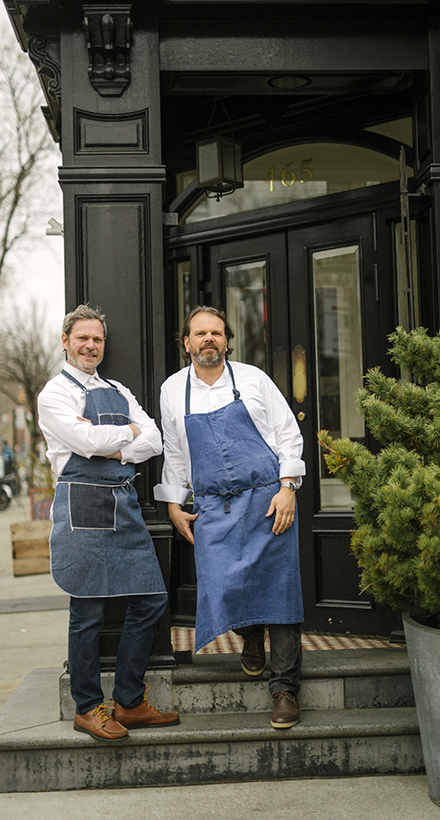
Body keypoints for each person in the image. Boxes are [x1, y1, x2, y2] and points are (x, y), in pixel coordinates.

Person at [154, 306, 305, 728]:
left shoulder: (254, 379)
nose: (209, 340)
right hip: (213, 507)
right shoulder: (172, 390)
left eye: (216, 333)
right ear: (186, 342)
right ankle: (251, 635)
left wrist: (288, 489)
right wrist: (173, 502)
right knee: (224, 586)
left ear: (226, 340)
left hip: (267, 502)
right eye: (200, 333)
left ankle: (285, 689)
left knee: (281, 595)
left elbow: (289, 434)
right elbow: (176, 451)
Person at [38, 304, 179, 741]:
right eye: (82, 338)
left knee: (151, 600)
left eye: (97, 339)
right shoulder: (54, 394)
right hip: (82, 507)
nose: (90, 346)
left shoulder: (117, 388)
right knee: (88, 611)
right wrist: (127, 435)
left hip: (124, 505)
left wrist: (113, 445)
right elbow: (82, 440)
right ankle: (86, 707)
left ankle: (129, 702)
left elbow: (154, 439)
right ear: (66, 341)